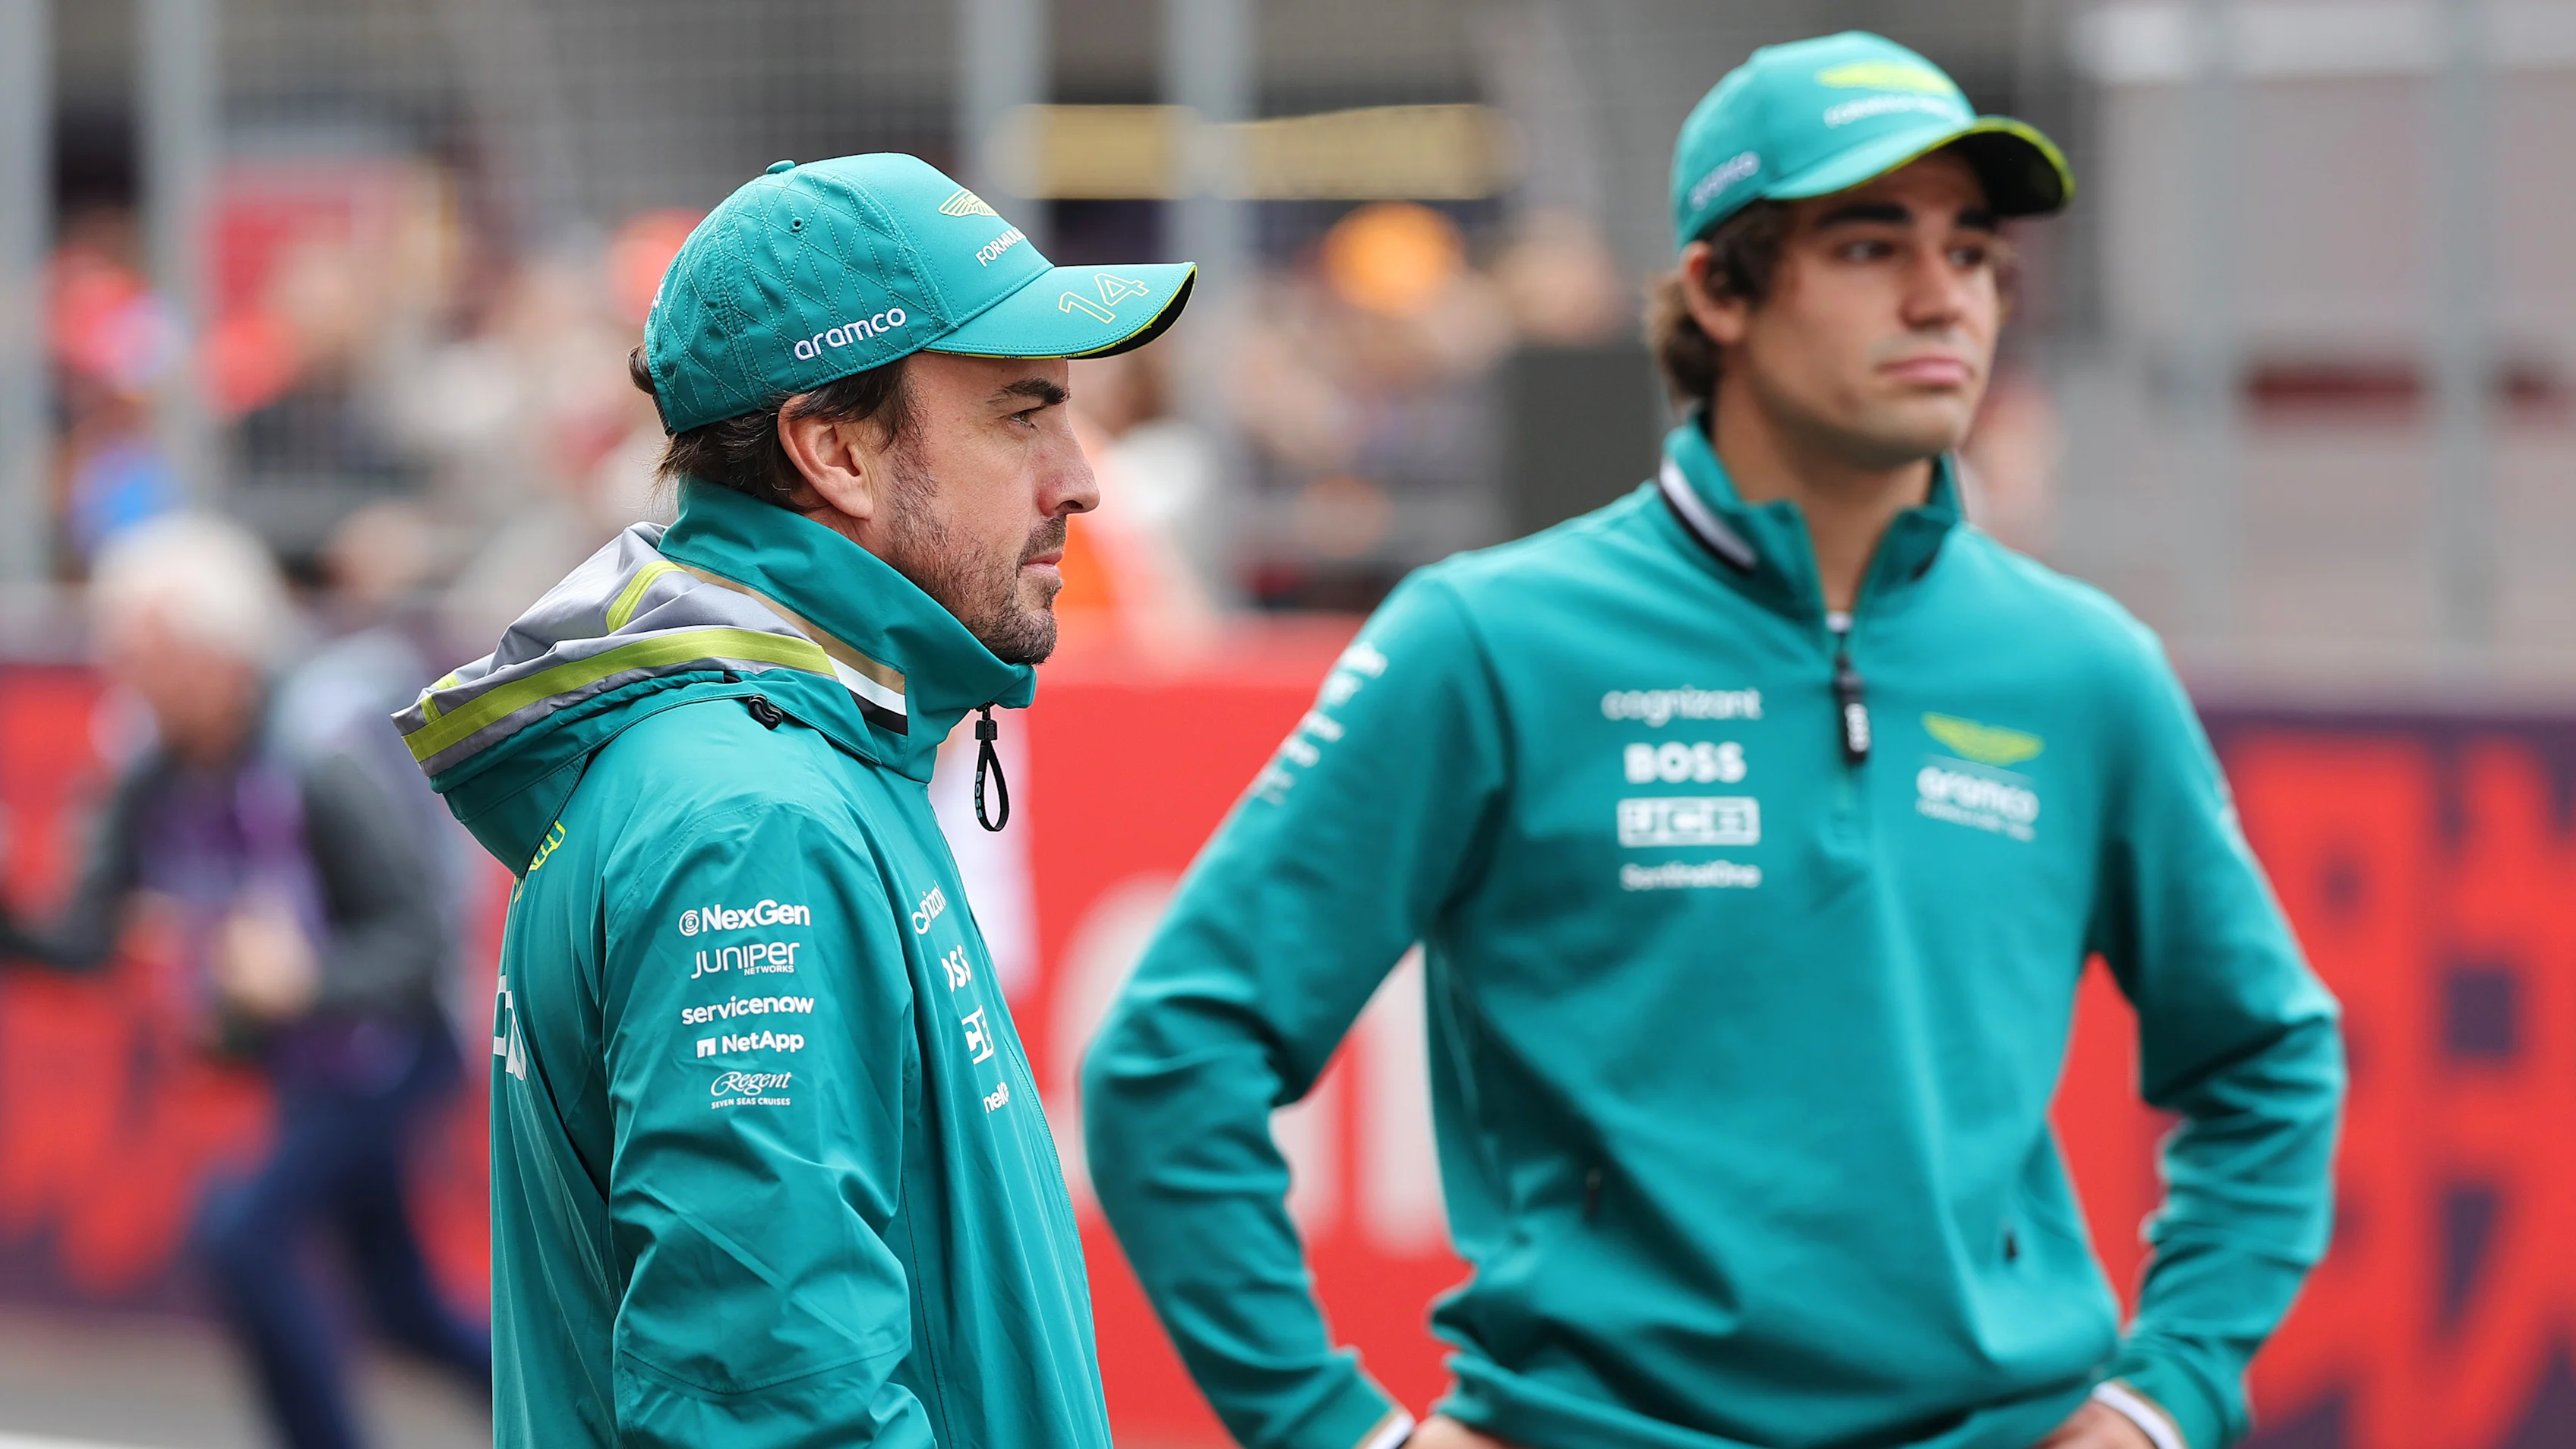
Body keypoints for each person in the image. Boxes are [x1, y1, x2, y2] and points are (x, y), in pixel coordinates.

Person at [1081, 32, 2341, 1449]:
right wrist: (1329, 1426)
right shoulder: (1489, 640)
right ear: (1721, 288)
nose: (1945, 296)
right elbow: (1173, 1053)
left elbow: (2269, 1055)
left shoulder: (2081, 665)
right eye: (1871, 246)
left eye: (1974, 250)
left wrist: (2161, 1397)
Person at [393, 153, 1192, 1447]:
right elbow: (774, 1413)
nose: (1079, 477)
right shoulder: (751, 817)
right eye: (1020, 412)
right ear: (834, 451)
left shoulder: (801, 755)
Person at [0, 513, 489, 1449]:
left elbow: (417, 944)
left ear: (218, 654)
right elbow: (83, 940)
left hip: (390, 1050)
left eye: (143, 650)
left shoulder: (315, 754)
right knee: (403, 1309)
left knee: (241, 1230)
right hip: (306, 1064)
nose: (123, 674)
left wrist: (309, 982)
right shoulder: (149, 769)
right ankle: (574, 1421)